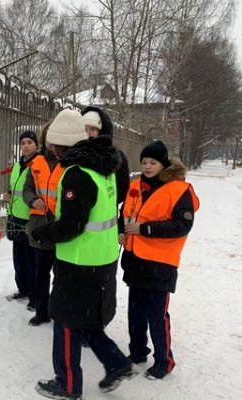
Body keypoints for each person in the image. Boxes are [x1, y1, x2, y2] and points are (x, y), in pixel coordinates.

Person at [30, 109, 135, 400]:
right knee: (86, 319)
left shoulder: (77, 174)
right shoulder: (106, 168)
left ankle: (67, 384)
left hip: (78, 261)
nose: (52, 151)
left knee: (64, 321)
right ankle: (116, 363)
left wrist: (42, 233)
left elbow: (71, 226)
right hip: (102, 258)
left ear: (63, 145)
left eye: (54, 146)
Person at [119, 140, 200, 380]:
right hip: (135, 260)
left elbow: (183, 225)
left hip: (160, 265)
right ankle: (137, 352)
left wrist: (145, 229)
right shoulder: (136, 186)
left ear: (163, 164)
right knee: (135, 312)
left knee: (156, 314)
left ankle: (164, 361)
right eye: (144, 162)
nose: (147, 166)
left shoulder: (179, 189)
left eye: (152, 162)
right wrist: (121, 232)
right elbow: (124, 215)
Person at [22, 121, 62, 326]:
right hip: (39, 225)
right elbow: (27, 188)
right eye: (48, 138)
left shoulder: (69, 163)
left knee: (61, 274)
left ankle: (58, 310)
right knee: (41, 272)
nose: (52, 143)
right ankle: (41, 310)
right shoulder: (36, 163)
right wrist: (32, 200)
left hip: (61, 225)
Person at [4, 131, 41, 305]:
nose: (26, 146)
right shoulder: (18, 165)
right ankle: (23, 289)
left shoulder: (38, 165)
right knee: (18, 259)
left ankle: (35, 297)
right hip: (16, 217)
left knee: (31, 261)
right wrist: (9, 194)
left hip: (31, 219)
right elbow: (16, 188)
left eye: (29, 142)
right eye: (23, 143)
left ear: (36, 145)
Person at [81, 106, 130, 204]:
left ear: (102, 131)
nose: (88, 133)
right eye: (84, 129)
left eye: (93, 129)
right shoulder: (74, 155)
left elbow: (122, 188)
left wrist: (98, 200)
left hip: (105, 215)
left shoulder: (116, 157)